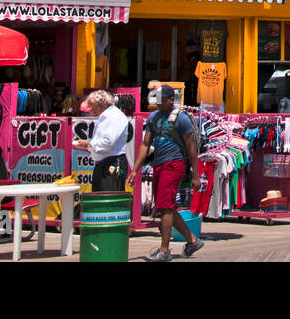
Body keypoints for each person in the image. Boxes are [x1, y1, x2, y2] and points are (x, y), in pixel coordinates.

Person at [129, 84, 204, 261]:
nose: (159, 105)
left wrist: (195, 175)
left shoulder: (182, 119)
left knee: (165, 206)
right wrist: (135, 169)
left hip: (174, 164)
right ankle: (192, 240)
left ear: (171, 100)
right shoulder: (154, 118)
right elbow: (145, 144)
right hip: (158, 164)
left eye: (162, 102)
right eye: (158, 102)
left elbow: (191, 149)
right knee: (165, 207)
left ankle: (164, 250)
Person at [76, 89, 132, 193]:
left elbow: (108, 142)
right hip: (103, 163)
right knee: (100, 196)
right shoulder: (105, 116)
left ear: (103, 104)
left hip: (113, 162)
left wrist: (88, 144)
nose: (92, 110)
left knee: (109, 198)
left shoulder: (114, 116)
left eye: (94, 107)